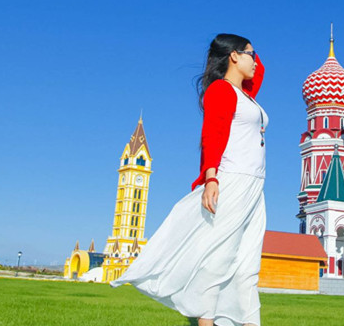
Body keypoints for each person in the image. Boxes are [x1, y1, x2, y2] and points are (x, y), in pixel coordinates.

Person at [111, 33, 267, 326]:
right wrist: (211, 179)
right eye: (249, 53)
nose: (255, 60)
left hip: (256, 187)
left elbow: (260, 68)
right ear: (233, 56)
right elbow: (211, 135)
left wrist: (247, 51)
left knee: (248, 264)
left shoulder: (246, 95)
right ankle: (206, 323)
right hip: (232, 180)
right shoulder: (221, 91)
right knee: (219, 258)